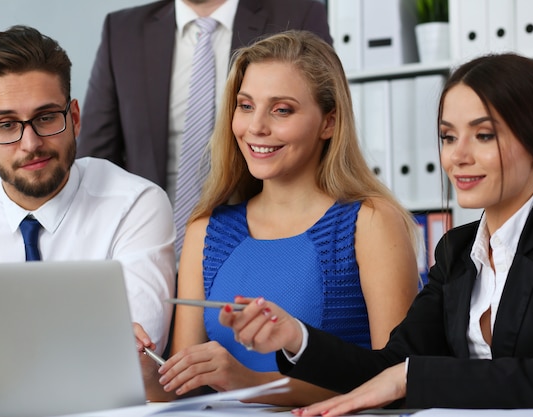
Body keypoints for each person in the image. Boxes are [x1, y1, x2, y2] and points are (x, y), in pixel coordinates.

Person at [219, 52, 533, 414]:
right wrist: (295, 337)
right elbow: (390, 366)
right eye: (448, 137)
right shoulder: (456, 250)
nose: (457, 156)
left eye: (483, 136)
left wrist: (410, 378)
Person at [134, 30, 420, 406]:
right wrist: (143, 370)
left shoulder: (370, 221)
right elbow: (189, 387)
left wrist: (247, 382)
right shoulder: (207, 229)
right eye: (246, 106)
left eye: (281, 109)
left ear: (329, 123)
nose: (256, 127)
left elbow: (395, 378)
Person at [0, 25, 176, 355]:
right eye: (6, 125)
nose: (31, 144)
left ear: (75, 117)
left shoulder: (135, 204)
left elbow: (138, 355)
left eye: (47, 118)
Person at [75, 0, 333, 262]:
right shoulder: (123, 30)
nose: (256, 124)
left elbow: (321, 129)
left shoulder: (297, 14)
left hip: (256, 253)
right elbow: (98, 164)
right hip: (144, 254)